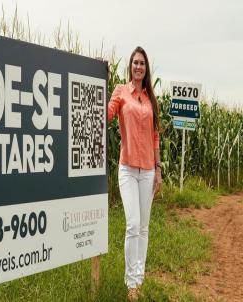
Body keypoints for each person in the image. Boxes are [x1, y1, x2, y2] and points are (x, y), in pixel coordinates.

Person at [107, 46, 162, 301]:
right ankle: (131, 283)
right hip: (128, 168)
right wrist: (101, 84)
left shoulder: (151, 98)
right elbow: (107, 114)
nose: (138, 67)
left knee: (143, 228)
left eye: (142, 63)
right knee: (132, 225)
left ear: (146, 68)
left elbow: (155, 137)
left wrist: (159, 170)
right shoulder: (121, 92)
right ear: (130, 66)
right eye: (135, 63)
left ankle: (138, 279)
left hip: (149, 170)